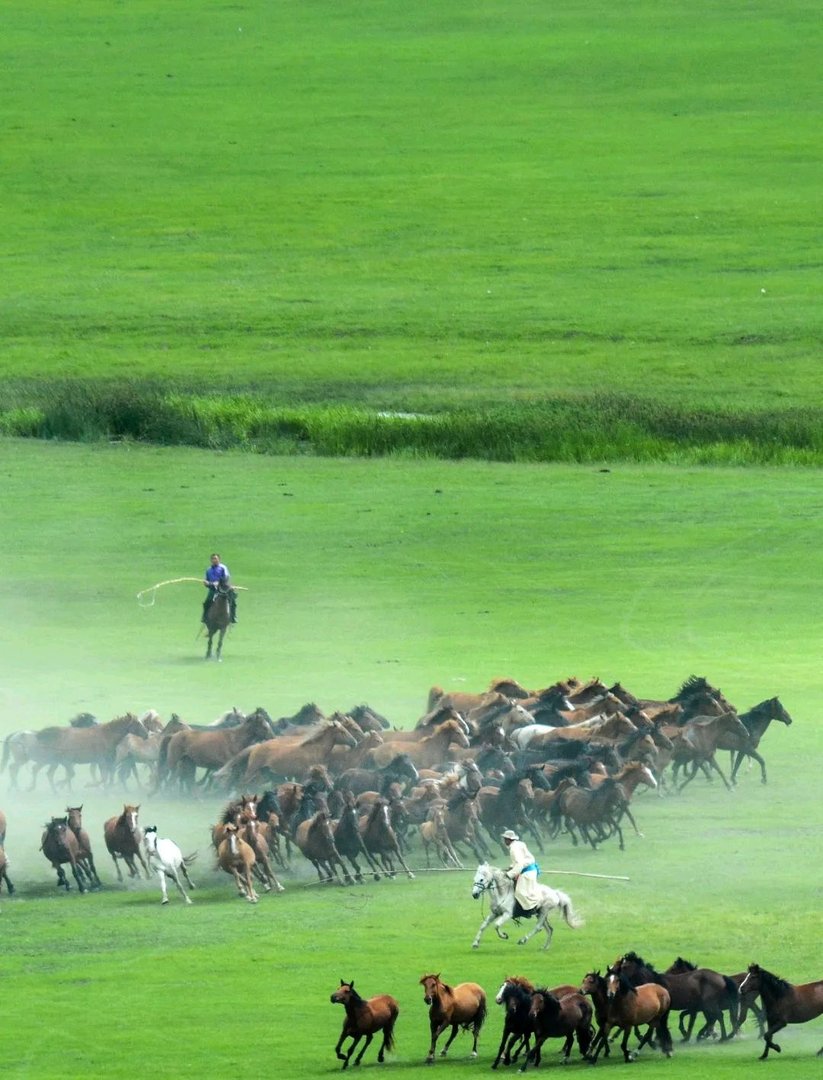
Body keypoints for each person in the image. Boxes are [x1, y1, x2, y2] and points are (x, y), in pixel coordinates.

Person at [501, 828, 541, 913]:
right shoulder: (519, 844)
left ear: (509, 840)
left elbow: (520, 864)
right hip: (530, 870)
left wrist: (509, 874)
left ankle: (531, 909)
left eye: (505, 839)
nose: (504, 841)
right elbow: (521, 859)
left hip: (527, 872)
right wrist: (511, 867)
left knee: (520, 892)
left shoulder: (513, 849)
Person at [202, 553, 237, 624]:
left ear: (219, 559)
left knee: (232, 601)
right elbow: (207, 581)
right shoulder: (208, 570)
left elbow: (226, 578)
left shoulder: (223, 568)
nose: (214, 560)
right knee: (206, 603)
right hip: (213, 590)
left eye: (216, 559)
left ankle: (233, 617)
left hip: (223, 589)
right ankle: (205, 617)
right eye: (213, 559)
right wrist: (206, 583)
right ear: (211, 560)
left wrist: (218, 583)